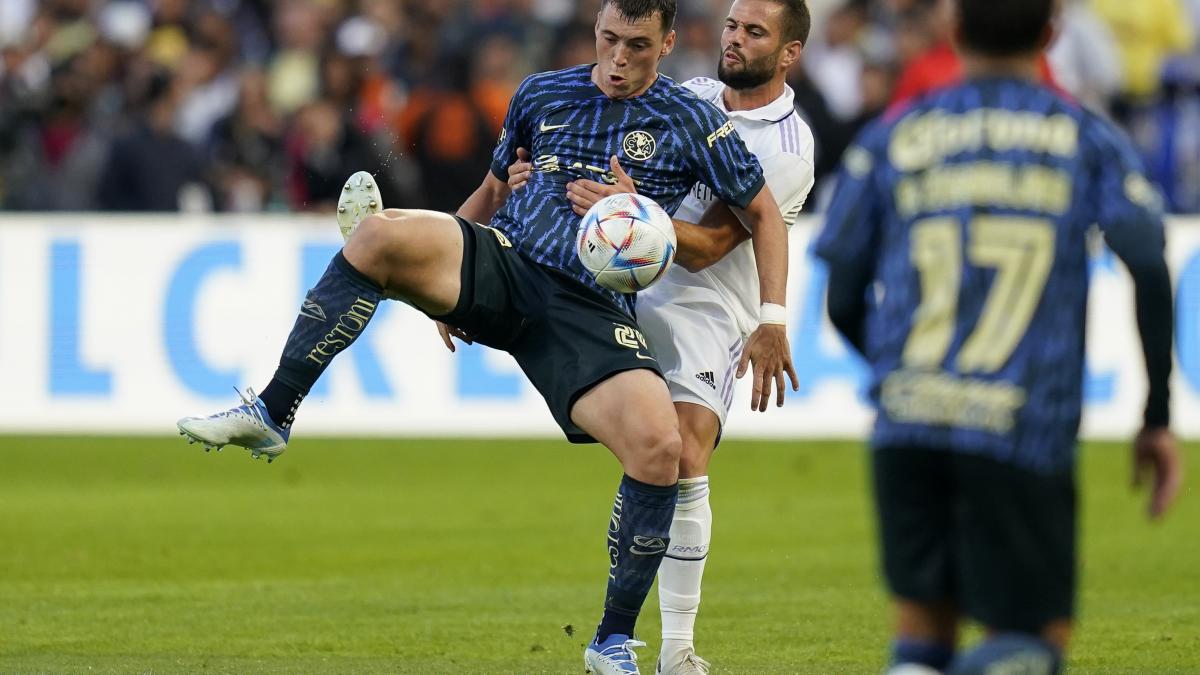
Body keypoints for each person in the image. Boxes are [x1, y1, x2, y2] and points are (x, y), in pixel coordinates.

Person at [176, 2, 796, 673]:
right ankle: (273, 409)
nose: (619, 59)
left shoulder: (690, 119)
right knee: (378, 234)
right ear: (595, 31)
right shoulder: (539, 92)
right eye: (610, 40)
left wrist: (768, 315)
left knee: (659, 447)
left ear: (668, 43)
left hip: (588, 310)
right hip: (505, 262)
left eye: (638, 47)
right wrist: (452, 261)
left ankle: (612, 640)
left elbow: (762, 213)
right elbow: (496, 186)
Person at [813, 0, 1184, 673]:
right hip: (1023, 422)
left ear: (952, 30)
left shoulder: (895, 134)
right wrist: (1156, 415)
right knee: (1030, 640)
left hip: (910, 423)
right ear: (1051, 32)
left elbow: (840, 292)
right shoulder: (1085, 137)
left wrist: (902, 376)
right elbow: (1151, 267)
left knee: (922, 631)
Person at [502, 1, 813, 672]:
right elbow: (592, 162)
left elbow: (711, 247)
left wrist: (771, 318)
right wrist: (538, 182)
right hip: (632, 280)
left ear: (788, 53)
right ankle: (625, 636)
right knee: (653, 450)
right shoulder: (693, 95)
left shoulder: (787, 147)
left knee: (687, 450)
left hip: (705, 305)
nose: (734, 39)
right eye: (732, 25)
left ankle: (675, 648)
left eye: (755, 32)